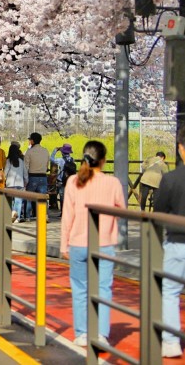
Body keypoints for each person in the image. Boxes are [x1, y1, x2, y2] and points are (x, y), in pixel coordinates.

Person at [60, 140, 125, 347]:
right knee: (103, 288)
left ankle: (82, 333)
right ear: (103, 161)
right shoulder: (113, 183)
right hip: (104, 243)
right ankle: (101, 333)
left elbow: (67, 215)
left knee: (80, 288)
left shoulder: (73, 181)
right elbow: (122, 210)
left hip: (78, 242)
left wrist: (64, 244)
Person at [154, 127, 185, 358]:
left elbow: (158, 211)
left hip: (177, 241)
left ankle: (170, 341)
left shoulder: (170, 178)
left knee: (169, 291)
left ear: (180, 147)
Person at [24, 132, 50, 221]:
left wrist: (25, 179)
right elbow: (47, 165)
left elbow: (26, 167)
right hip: (43, 177)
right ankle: (45, 215)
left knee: (29, 198)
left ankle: (27, 216)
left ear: (32, 141)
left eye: (30, 140)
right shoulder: (45, 151)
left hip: (32, 177)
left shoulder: (29, 152)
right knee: (43, 198)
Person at [4, 141, 29, 222]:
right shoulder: (21, 161)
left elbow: (5, 172)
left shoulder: (8, 161)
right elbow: (25, 173)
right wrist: (26, 181)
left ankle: (10, 216)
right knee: (18, 201)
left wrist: (4, 180)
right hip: (20, 184)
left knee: (10, 201)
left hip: (10, 184)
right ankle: (16, 218)